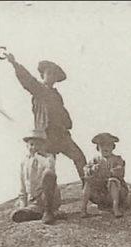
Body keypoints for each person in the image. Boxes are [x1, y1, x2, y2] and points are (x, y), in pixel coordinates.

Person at [5, 52, 86, 180]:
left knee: (79, 157)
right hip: (45, 136)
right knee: (48, 168)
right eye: (49, 73)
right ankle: (47, 196)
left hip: (61, 134)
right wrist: (15, 64)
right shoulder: (39, 90)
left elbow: (63, 112)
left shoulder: (57, 96)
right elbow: (27, 79)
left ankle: (89, 190)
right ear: (43, 74)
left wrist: (67, 122)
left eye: (54, 74)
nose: (52, 77)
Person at [12, 130, 61, 224]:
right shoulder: (24, 162)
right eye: (31, 144)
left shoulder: (48, 158)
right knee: (18, 213)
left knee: (48, 174)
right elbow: (23, 185)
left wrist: (38, 156)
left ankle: (48, 211)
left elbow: (50, 169)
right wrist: (22, 204)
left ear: (44, 146)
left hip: (48, 197)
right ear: (27, 146)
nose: (34, 147)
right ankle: (35, 213)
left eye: (38, 144)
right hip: (34, 201)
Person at [81, 133, 128, 218]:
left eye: (108, 145)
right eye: (102, 145)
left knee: (112, 181)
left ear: (113, 147)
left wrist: (112, 171)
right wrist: (92, 169)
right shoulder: (95, 159)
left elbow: (120, 171)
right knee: (88, 182)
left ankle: (115, 208)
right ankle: (83, 209)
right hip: (99, 195)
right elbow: (86, 169)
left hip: (116, 192)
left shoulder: (117, 159)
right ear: (98, 148)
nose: (105, 148)